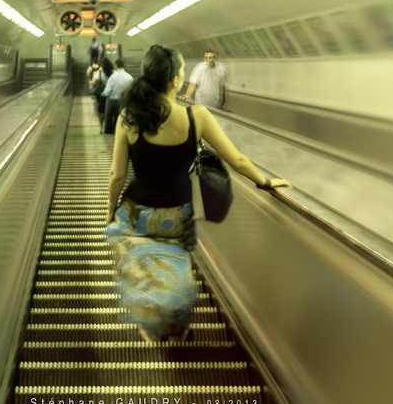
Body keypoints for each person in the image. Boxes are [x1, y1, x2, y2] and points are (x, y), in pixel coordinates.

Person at [104, 44, 290, 343]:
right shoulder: (196, 117)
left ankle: (151, 325)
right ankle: (177, 328)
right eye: (181, 71)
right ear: (175, 81)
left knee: (141, 267)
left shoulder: (129, 116)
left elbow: (117, 174)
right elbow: (238, 160)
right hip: (178, 213)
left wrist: (111, 207)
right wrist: (265, 182)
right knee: (176, 269)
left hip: (136, 210)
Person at [101, 58, 133, 135]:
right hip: (124, 101)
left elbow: (108, 90)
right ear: (124, 66)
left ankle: (108, 130)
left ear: (115, 66)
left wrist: (103, 94)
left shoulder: (113, 77)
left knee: (108, 115)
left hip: (112, 100)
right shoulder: (129, 77)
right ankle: (120, 130)